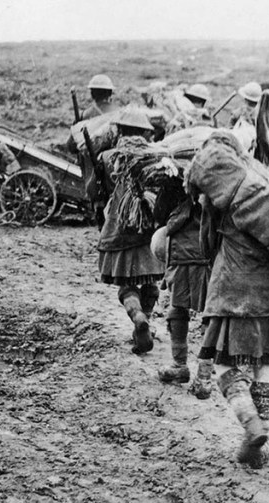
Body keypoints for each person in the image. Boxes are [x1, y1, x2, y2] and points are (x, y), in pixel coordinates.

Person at [192, 135, 269, 468]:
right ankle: (260, 441)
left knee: (223, 364)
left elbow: (206, 245)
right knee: (265, 364)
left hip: (237, 293)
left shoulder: (218, 198)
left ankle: (251, 425)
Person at [97, 109, 163, 355]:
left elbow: (95, 191)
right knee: (150, 282)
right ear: (145, 133)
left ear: (120, 130)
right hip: (148, 230)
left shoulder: (107, 157)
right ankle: (146, 321)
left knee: (127, 285)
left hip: (120, 230)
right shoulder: (155, 156)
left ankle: (138, 317)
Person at [151, 181, 214, 398]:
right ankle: (204, 376)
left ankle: (179, 365)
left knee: (178, 308)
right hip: (211, 253)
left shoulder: (174, 180)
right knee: (211, 314)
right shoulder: (221, 179)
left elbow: (160, 213)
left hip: (182, 253)